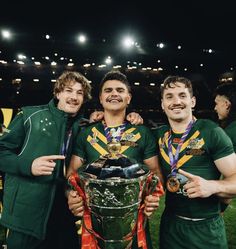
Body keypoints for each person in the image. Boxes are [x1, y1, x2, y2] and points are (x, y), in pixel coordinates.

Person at [0, 70, 142, 249]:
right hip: (27, 214)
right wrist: (29, 165)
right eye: (68, 90)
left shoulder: (84, 127)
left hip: (65, 211)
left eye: (79, 93)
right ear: (58, 93)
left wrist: (133, 117)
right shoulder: (30, 116)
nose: (74, 97)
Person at [67, 70, 164, 249]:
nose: (114, 94)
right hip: (95, 224)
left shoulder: (142, 133)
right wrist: (71, 196)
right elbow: (71, 175)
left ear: (128, 97)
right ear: (101, 98)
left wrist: (152, 197)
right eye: (108, 90)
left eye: (120, 90)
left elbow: (156, 174)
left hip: (132, 224)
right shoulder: (87, 133)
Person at [152, 76, 236, 249]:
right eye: (169, 97)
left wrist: (213, 186)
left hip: (206, 228)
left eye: (182, 95)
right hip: (170, 227)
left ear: (192, 101)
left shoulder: (212, 131)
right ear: (162, 104)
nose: (176, 102)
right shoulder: (159, 135)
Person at [214, 82, 236, 211]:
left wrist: (220, 210)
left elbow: (231, 177)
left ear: (227, 104)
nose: (215, 108)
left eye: (217, 103)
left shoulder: (229, 133)